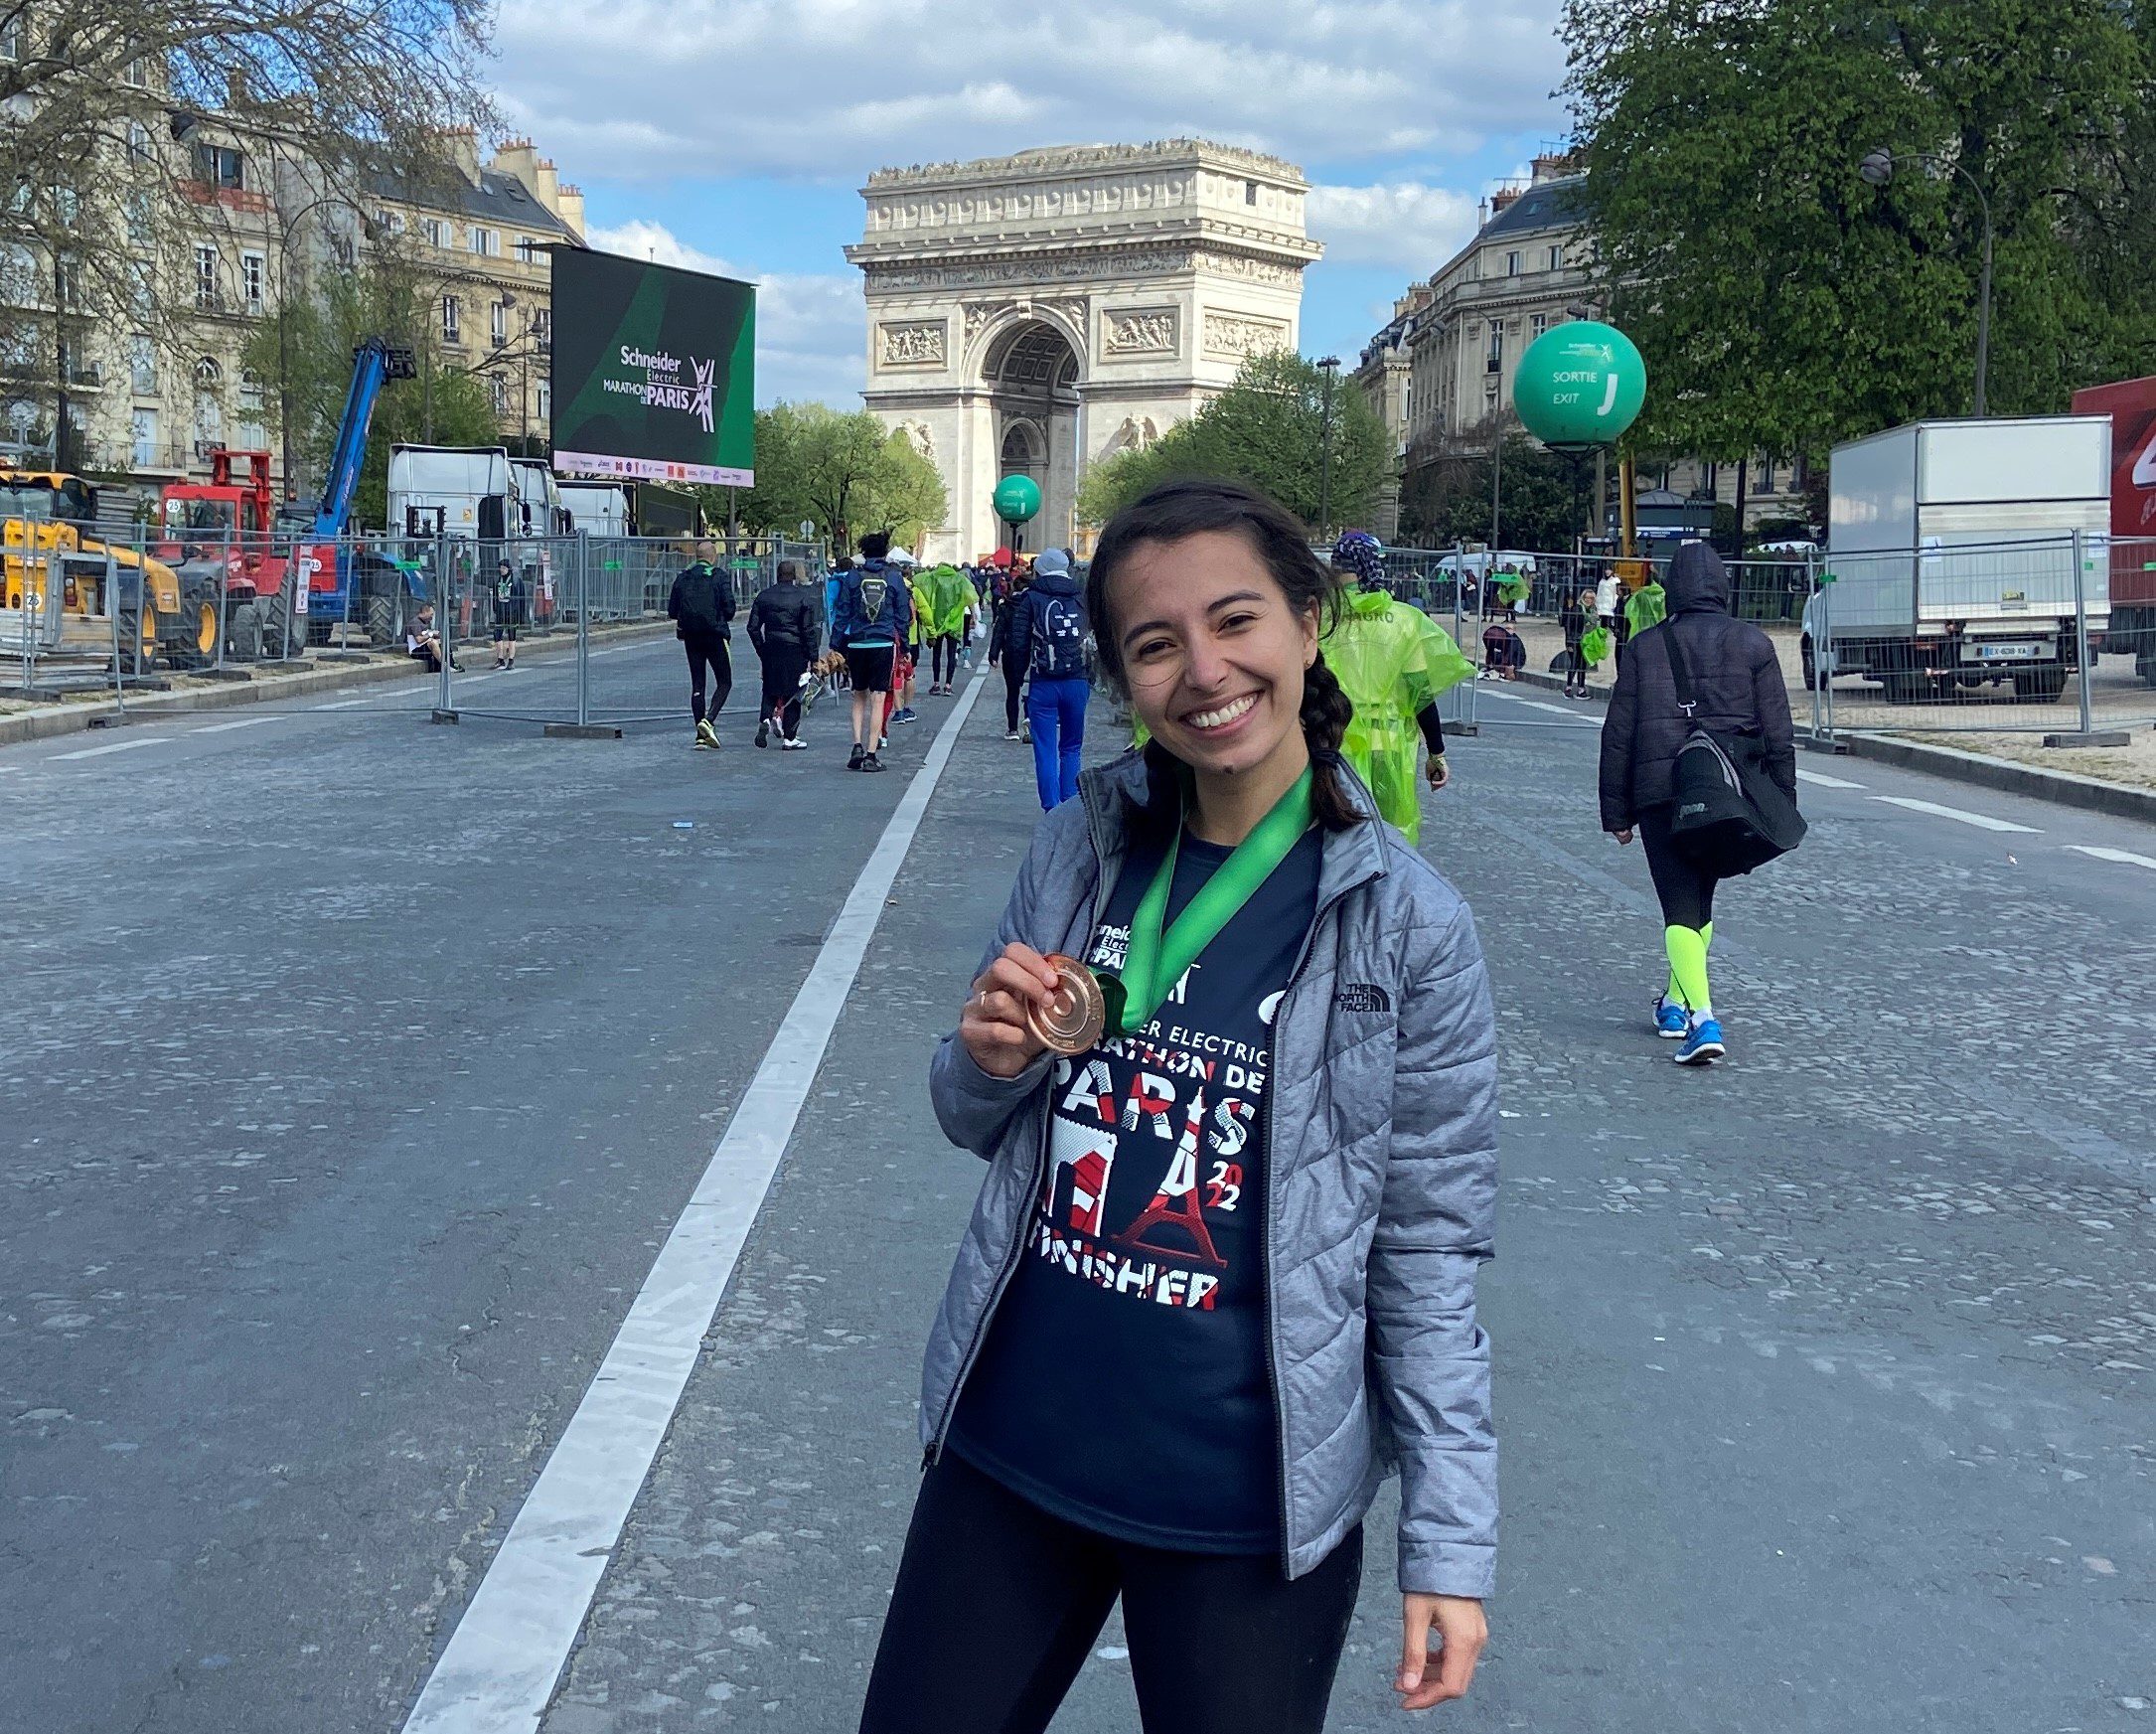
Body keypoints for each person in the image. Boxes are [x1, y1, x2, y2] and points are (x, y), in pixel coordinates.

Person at [860, 476, 1496, 1734]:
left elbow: (1426, 1247)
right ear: (1122, 676)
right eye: (1155, 644)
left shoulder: (1413, 926)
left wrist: (1450, 1538)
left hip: (1245, 1508)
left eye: (1235, 620)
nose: (1204, 670)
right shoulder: (1078, 846)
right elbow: (966, 1107)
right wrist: (987, 1057)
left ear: (1307, 621)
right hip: (1012, 1453)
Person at [1599, 541, 1795, 1066]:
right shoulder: (1754, 644)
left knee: (1679, 905)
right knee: (1699, 902)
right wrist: (1782, 800)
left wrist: (1615, 812)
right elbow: (1779, 732)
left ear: (1672, 589)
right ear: (1723, 586)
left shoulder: (1644, 647)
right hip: (1728, 792)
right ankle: (1675, 1002)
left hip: (1661, 792)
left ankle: (1702, 1018)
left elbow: (1618, 734)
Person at [1323, 531, 1472, 847]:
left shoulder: (1319, 618)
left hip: (1331, 745)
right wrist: (1437, 753)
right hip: (1387, 748)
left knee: (1333, 841)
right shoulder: (1404, 622)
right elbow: (1421, 696)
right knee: (1390, 842)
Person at [1003, 546, 1089, 809]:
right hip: (1078, 679)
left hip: (1043, 682)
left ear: (1038, 570)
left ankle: (1051, 808)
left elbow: (1018, 643)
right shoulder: (1082, 597)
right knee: (1072, 746)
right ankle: (1070, 803)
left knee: (1045, 748)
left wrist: (1017, 679)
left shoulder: (1031, 598)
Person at [834, 532, 912, 772]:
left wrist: (836, 644)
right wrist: (905, 647)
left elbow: (842, 612)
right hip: (883, 643)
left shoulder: (853, 577)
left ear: (864, 552)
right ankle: (871, 754)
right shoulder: (894, 577)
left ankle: (856, 745)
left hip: (857, 642)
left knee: (858, 696)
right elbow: (902, 616)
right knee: (878, 699)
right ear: (885, 551)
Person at [668, 540, 735, 749]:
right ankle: (709, 720)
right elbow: (730, 609)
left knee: (698, 684)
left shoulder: (682, 578)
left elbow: (672, 611)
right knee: (724, 681)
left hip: (691, 637)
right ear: (713, 556)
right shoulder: (719, 577)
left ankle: (700, 735)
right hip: (715, 635)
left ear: (696, 557)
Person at [747, 558, 820, 750]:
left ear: (777, 574)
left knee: (770, 688)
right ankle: (790, 737)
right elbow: (808, 629)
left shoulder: (764, 596)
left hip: (771, 646)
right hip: (795, 649)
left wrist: (761, 649)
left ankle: (765, 718)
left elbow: (753, 627)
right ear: (794, 575)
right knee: (794, 692)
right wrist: (813, 656)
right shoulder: (803, 598)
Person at [988, 564, 1031, 743]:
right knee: (1031, 690)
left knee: (1012, 692)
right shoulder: (1033, 605)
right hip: (1030, 651)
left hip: (1011, 652)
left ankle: (1012, 728)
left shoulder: (1006, 607)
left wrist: (993, 653)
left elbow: (999, 631)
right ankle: (1029, 719)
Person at [924, 562, 971, 696]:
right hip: (954, 621)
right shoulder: (958, 579)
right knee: (951, 654)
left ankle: (936, 684)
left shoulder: (934, 579)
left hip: (937, 620)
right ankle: (948, 685)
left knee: (936, 654)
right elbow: (968, 596)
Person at [489, 559, 527, 671]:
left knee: (511, 636)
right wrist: (495, 609)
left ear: (508, 569)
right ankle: (500, 659)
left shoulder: (516, 581)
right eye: (500, 568)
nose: (502, 570)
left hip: (512, 612)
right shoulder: (498, 580)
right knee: (497, 634)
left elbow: (521, 599)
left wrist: (520, 615)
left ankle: (511, 659)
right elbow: (495, 597)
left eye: (504, 568)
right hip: (501, 611)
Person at [1560, 584, 1594, 699]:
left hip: (1586, 641)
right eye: (1587, 598)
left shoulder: (1593, 611)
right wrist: (1569, 641)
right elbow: (1568, 625)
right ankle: (1568, 688)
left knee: (1582, 665)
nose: (1589, 600)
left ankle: (1581, 689)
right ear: (1582, 598)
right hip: (1574, 640)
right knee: (1574, 663)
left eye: (1591, 598)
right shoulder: (1577, 609)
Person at [404, 603, 459, 673]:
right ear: (425, 612)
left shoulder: (425, 622)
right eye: (431, 614)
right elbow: (419, 640)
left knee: (440, 642)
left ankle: (451, 663)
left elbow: (427, 635)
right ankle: (444, 666)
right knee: (433, 643)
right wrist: (431, 634)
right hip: (416, 651)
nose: (432, 617)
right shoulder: (415, 622)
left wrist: (436, 634)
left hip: (424, 648)